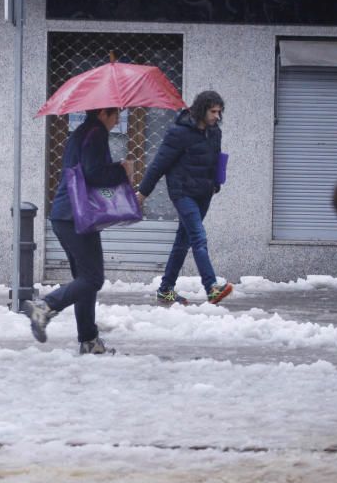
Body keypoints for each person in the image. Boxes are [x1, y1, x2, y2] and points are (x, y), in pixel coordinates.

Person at [23, 107, 134, 355]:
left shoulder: (81, 133)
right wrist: (121, 171)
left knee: (85, 281)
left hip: (66, 216)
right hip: (77, 216)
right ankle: (45, 307)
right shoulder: (95, 134)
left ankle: (89, 340)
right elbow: (94, 173)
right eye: (116, 114)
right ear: (103, 113)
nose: (118, 120)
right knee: (93, 279)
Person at [136, 90, 233, 305]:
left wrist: (215, 183)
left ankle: (165, 290)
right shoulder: (178, 133)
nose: (217, 116)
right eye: (213, 111)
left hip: (204, 193)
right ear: (201, 110)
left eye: (219, 112)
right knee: (198, 237)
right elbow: (159, 164)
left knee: (183, 242)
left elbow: (216, 159)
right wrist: (143, 193)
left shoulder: (214, 132)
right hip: (182, 193)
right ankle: (211, 287)